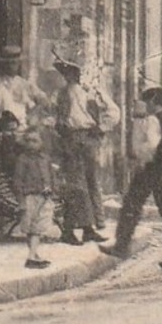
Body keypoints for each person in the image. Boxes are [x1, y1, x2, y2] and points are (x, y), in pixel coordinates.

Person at [101, 86, 162, 270]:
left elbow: (151, 146)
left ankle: (121, 245)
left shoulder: (152, 120)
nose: (145, 105)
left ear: (154, 101)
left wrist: (139, 157)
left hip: (152, 167)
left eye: (147, 101)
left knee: (131, 204)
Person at [52, 59, 107, 246]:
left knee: (89, 183)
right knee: (77, 186)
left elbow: (105, 114)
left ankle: (89, 228)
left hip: (87, 139)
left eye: (72, 74)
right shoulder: (60, 95)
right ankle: (72, 229)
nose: (69, 77)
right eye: (66, 74)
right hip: (72, 139)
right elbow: (55, 118)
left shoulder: (87, 94)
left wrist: (98, 131)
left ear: (77, 75)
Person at [11, 126, 56, 270]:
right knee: (31, 228)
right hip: (29, 196)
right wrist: (21, 201)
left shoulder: (45, 159)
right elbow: (17, 181)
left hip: (44, 197)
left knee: (38, 227)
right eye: (28, 141)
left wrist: (53, 190)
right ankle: (32, 256)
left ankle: (33, 255)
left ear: (42, 142)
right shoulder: (22, 160)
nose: (31, 144)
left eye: (35, 141)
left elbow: (50, 176)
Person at [0, 46, 48, 132]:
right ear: (3, 64)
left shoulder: (23, 83)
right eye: (9, 63)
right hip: (2, 128)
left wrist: (32, 114)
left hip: (22, 129)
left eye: (15, 62)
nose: (13, 66)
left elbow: (43, 100)